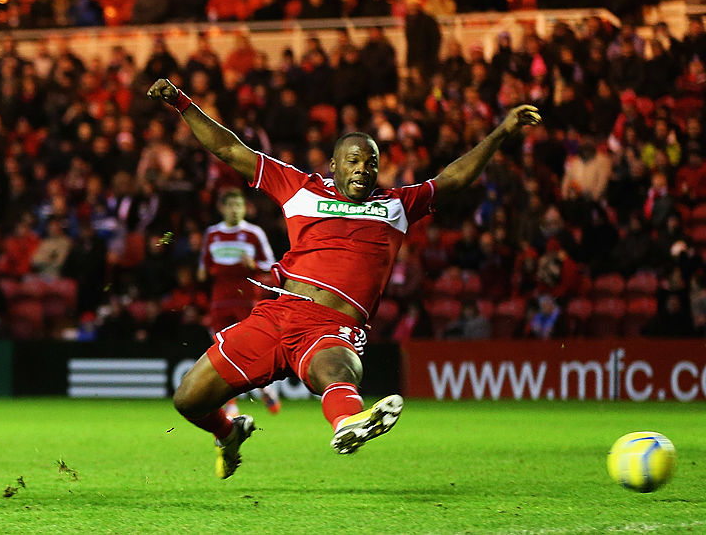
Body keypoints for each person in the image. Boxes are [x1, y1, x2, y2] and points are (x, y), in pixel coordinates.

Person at [148, 78, 540, 479]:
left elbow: (454, 178)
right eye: (353, 160)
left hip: (331, 326)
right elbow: (230, 148)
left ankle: (348, 423)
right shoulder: (300, 188)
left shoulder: (397, 205)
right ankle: (228, 433)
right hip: (275, 317)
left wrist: (502, 132)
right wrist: (181, 102)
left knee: (337, 368)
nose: (363, 169)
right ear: (333, 165)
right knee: (188, 399)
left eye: (371, 162)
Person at [198, 188, 280, 417]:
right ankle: (230, 403)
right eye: (230, 205)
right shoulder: (212, 234)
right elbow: (203, 271)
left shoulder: (254, 233)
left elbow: (270, 266)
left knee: (251, 349)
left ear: (244, 209)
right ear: (221, 208)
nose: (234, 210)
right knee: (220, 351)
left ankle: (266, 388)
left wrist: (252, 263)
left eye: (238, 205)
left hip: (247, 301)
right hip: (220, 302)